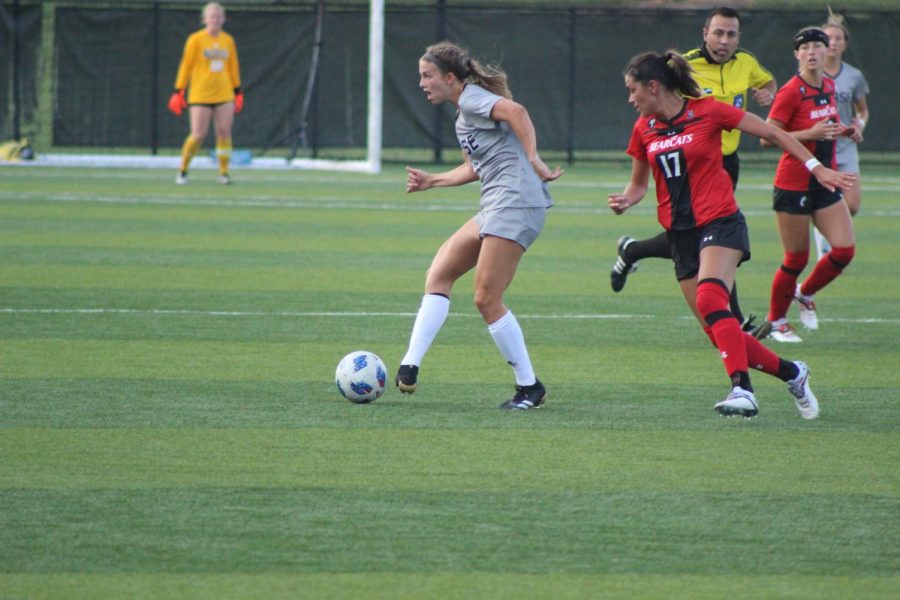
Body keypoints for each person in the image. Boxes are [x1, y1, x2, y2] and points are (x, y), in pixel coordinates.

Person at [608, 50, 854, 418]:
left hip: (721, 222)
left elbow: (773, 132)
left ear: (653, 86)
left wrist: (817, 168)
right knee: (717, 332)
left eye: (633, 90)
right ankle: (793, 372)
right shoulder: (644, 129)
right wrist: (627, 199)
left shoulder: (709, 111)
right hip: (681, 236)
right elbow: (638, 185)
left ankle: (742, 390)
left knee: (711, 300)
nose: (630, 99)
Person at [395, 41, 563, 410]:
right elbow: (474, 168)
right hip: (496, 204)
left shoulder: (472, 98)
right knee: (439, 273)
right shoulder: (463, 115)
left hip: (515, 201)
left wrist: (533, 158)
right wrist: (432, 181)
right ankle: (410, 365)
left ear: (450, 78)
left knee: (487, 298)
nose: (422, 83)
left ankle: (529, 387)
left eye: (428, 76)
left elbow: (517, 111)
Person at [609, 6, 776, 336]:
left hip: (725, 160)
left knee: (713, 236)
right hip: (687, 157)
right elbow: (669, 111)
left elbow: (767, 81)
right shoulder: (681, 67)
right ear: (705, 33)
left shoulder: (746, 63)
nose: (725, 40)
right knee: (700, 234)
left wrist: (767, 92)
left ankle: (632, 250)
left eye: (731, 34)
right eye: (719, 32)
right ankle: (735, 321)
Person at [759, 27, 858, 343]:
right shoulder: (790, 91)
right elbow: (766, 137)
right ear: (797, 54)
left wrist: (845, 131)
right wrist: (810, 135)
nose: (812, 51)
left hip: (825, 181)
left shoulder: (829, 85)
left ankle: (803, 293)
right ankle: (775, 321)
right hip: (794, 184)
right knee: (796, 259)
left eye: (818, 46)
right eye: (806, 47)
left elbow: (823, 127)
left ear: (827, 51)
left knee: (844, 250)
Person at [814, 11, 870, 258]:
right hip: (819, 147)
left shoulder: (853, 76)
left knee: (853, 204)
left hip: (845, 147)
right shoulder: (811, 74)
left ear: (845, 43)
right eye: (828, 38)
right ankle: (826, 242)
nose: (833, 42)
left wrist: (858, 126)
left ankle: (824, 232)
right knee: (824, 201)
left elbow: (863, 111)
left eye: (838, 38)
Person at [168, 2, 243, 185]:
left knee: (224, 132)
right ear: (205, 19)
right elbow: (186, 66)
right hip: (201, 94)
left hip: (224, 93)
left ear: (224, 19)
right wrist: (179, 90)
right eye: (212, 16)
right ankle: (183, 169)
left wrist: (237, 91)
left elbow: (233, 67)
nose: (215, 20)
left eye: (219, 17)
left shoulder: (228, 40)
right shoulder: (196, 40)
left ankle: (223, 173)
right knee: (198, 134)